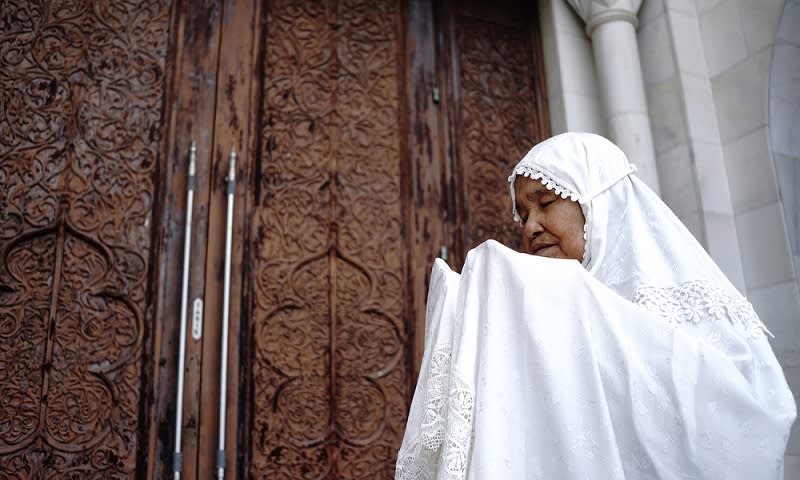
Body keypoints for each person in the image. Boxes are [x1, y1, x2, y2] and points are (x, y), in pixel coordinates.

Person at [395, 132, 797, 479]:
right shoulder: (541, 309)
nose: (530, 226)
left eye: (546, 202)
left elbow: (751, 428)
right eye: (523, 214)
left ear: (597, 203)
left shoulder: (699, 309)